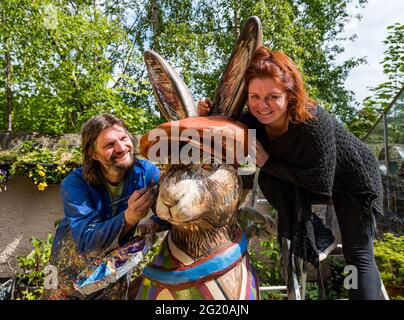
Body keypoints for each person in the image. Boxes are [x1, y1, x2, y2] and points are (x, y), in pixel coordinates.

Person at [198, 46, 383, 300]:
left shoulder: (313, 123)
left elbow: (320, 182)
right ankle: (319, 235)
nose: (262, 106)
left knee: (357, 254)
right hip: (306, 172)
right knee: (269, 176)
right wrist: (207, 114)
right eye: (254, 97)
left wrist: (266, 161)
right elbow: (224, 125)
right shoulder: (252, 122)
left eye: (272, 97)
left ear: (290, 95)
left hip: (352, 177)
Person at [43, 114, 168, 300]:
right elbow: (86, 240)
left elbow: (173, 206)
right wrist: (129, 218)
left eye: (124, 138)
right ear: (93, 154)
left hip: (114, 270)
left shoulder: (146, 173)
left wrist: (154, 222)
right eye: (109, 145)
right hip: (65, 270)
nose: (121, 148)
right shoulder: (74, 184)